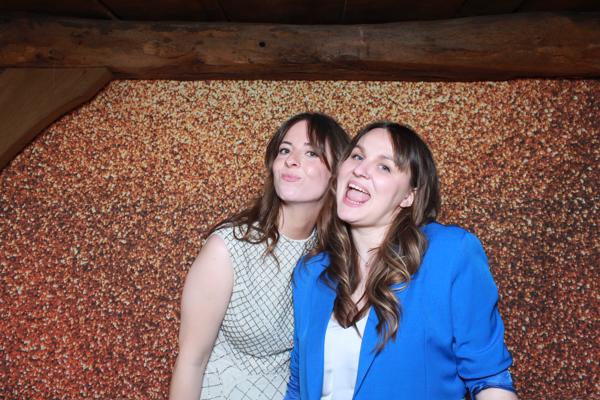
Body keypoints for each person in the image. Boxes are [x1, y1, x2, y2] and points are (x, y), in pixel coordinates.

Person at [286, 122, 518, 400]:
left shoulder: (449, 254)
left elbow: (490, 380)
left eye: (384, 167)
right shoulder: (312, 272)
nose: (360, 169)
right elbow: (299, 386)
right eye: (357, 156)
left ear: (409, 195)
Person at [170, 113, 350, 400]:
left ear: (337, 173)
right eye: (285, 150)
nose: (291, 160)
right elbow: (191, 362)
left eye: (311, 153)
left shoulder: (333, 256)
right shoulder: (228, 249)